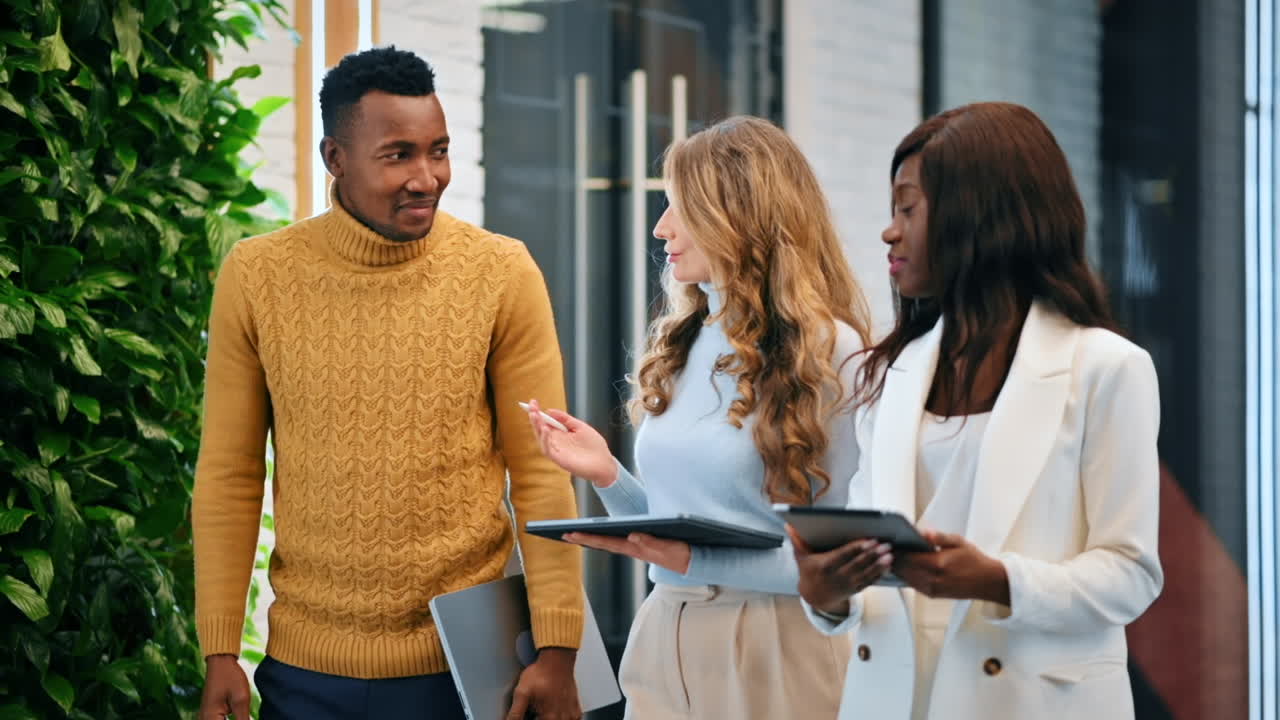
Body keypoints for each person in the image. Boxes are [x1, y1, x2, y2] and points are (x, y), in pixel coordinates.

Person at [193, 46, 585, 720]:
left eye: (439, 151)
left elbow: (542, 472)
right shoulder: (257, 276)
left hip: (466, 669)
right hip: (304, 672)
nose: (426, 178)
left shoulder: (501, 273)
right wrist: (220, 650)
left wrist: (557, 647)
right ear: (335, 158)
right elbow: (230, 474)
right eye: (398, 155)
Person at [791, 101, 1164, 720]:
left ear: (980, 215)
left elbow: (1131, 574)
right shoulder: (890, 374)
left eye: (908, 209)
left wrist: (996, 580)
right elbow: (869, 580)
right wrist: (826, 592)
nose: (889, 232)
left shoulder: (1106, 368)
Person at [525, 115, 872, 719]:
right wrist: (607, 475)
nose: (660, 228)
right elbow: (672, 535)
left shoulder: (830, 350)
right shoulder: (687, 340)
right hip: (666, 632)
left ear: (737, 214)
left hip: (776, 645)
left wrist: (693, 562)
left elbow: (842, 565)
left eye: (679, 208)